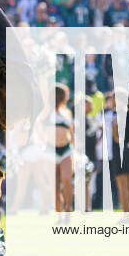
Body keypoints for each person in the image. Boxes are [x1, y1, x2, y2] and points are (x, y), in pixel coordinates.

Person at [54, 84, 73, 212]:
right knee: (55, 184)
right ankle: (58, 211)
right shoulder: (46, 112)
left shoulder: (67, 112)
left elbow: (72, 132)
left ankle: (68, 208)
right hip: (51, 150)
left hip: (66, 149)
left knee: (67, 179)